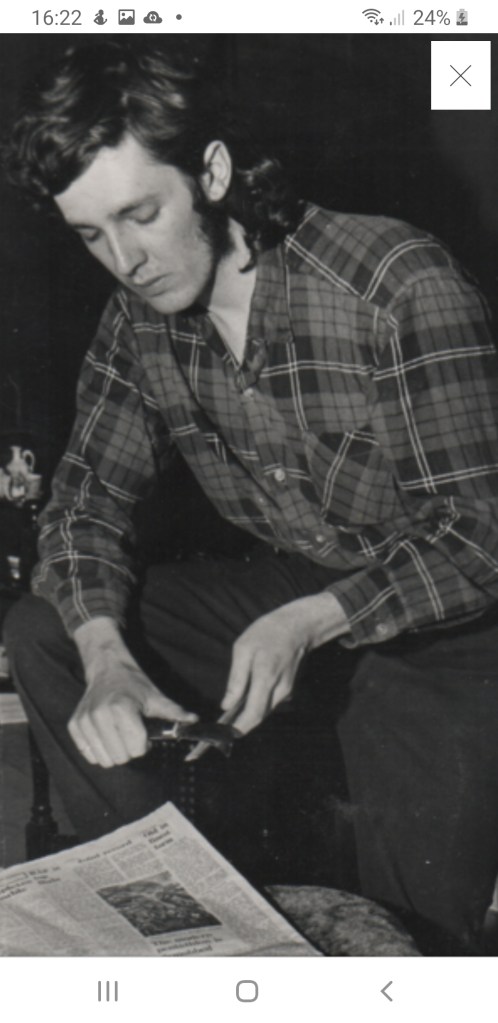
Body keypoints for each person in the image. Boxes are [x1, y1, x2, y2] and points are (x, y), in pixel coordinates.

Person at [4, 39, 498, 955]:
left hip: (451, 628)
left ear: (214, 172)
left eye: (141, 214)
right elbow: (82, 509)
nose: (125, 260)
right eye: (91, 235)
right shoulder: (137, 323)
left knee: (414, 936)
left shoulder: (395, 281)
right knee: (50, 629)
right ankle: (179, 915)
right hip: (301, 584)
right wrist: (108, 660)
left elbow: (478, 537)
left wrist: (310, 622)